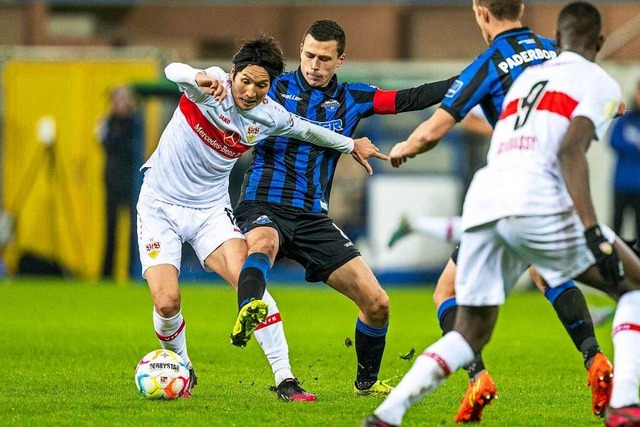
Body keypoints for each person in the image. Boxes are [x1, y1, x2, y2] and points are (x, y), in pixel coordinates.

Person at [364, 3, 640, 426]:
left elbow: (456, 123)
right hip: (540, 200)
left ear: (481, 12)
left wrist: (404, 148)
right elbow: (580, 140)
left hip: (487, 199)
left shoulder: (513, 73)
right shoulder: (591, 77)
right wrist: (592, 231)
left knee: (468, 326)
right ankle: (623, 402)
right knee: (633, 286)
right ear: (598, 43)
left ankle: (387, 413)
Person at [137, 35, 385, 400]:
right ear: (233, 73)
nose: (250, 91)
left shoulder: (269, 114)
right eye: (245, 81)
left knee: (250, 287)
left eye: (261, 85)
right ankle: (183, 367)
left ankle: (285, 379)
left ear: (270, 87)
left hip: (209, 211)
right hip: (159, 205)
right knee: (167, 302)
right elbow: (173, 70)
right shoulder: (210, 86)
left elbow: (308, 130)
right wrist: (196, 76)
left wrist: (352, 145)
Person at [229, 19, 457, 398]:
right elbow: (230, 88)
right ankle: (249, 308)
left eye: (323, 59)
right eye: (308, 55)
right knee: (263, 244)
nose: (314, 65)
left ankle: (366, 383)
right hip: (262, 201)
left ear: (340, 60)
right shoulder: (273, 86)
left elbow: (408, 99)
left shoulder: (353, 98)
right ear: (300, 50)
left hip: (313, 217)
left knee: (377, 302)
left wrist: (464, 82)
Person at [100, 86, 140, 279]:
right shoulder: (107, 122)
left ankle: (132, 273)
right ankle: (107, 274)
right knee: (110, 229)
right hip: (112, 182)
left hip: (133, 184)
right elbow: (106, 144)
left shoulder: (135, 123)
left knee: (135, 231)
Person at [610, 81, 640, 246]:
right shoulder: (626, 120)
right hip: (621, 183)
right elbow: (614, 141)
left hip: (639, 185)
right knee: (617, 227)